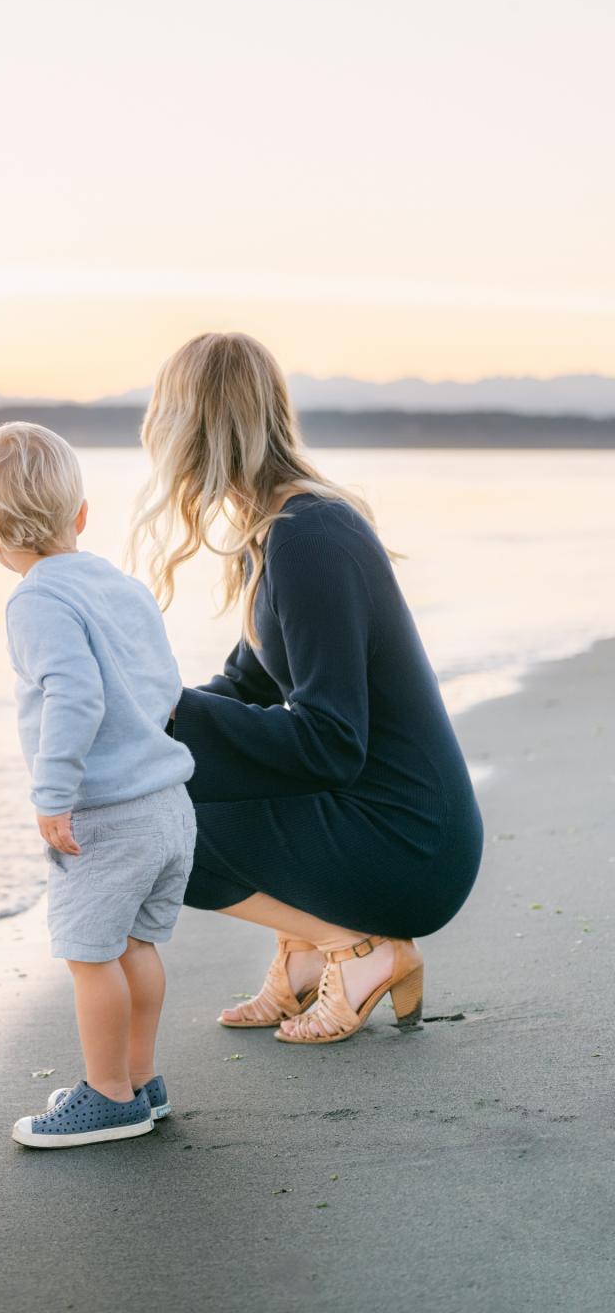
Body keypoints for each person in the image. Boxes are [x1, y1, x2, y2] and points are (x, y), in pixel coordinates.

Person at [130, 332, 484, 1044]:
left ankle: (359, 949)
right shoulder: (281, 531)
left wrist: (171, 715)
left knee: (156, 826)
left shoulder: (311, 534)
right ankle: (300, 958)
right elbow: (244, 685)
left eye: (165, 415)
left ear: (196, 428)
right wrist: (144, 724)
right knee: (155, 784)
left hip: (412, 843)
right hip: (387, 820)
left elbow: (331, 743)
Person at [0, 421, 196, 1146]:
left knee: (89, 954)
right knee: (135, 945)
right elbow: (164, 682)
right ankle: (139, 1080)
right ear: (82, 515)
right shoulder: (122, 586)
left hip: (106, 818)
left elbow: (73, 696)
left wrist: (53, 794)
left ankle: (107, 1096)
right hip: (167, 804)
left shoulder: (36, 601)